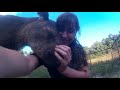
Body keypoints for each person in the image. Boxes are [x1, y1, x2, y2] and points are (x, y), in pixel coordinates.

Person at [47, 12, 90, 78]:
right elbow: (29, 62)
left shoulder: (78, 48)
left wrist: (64, 70)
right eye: (61, 29)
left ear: (76, 31)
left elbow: (85, 74)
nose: (64, 35)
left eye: (70, 30)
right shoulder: (48, 48)